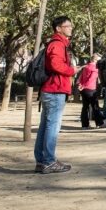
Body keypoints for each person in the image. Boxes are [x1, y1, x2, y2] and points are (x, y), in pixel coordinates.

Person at [34, 16, 77, 173]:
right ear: (58, 28)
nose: (70, 28)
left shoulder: (57, 44)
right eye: (67, 26)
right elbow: (55, 64)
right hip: (55, 89)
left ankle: (42, 160)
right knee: (52, 126)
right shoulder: (58, 44)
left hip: (51, 89)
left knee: (45, 126)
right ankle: (48, 161)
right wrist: (72, 70)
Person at [76, 58, 104, 129]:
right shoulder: (95, 68)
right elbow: (91, 79)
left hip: (83, 90)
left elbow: (80, 77)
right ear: (95, 60)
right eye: (99, 60)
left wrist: (80, 85)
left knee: (85, 107)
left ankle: (85, 125)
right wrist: (84, 86)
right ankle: (99, 123)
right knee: (95, 107)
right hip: (91, 89)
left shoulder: (86, 67)